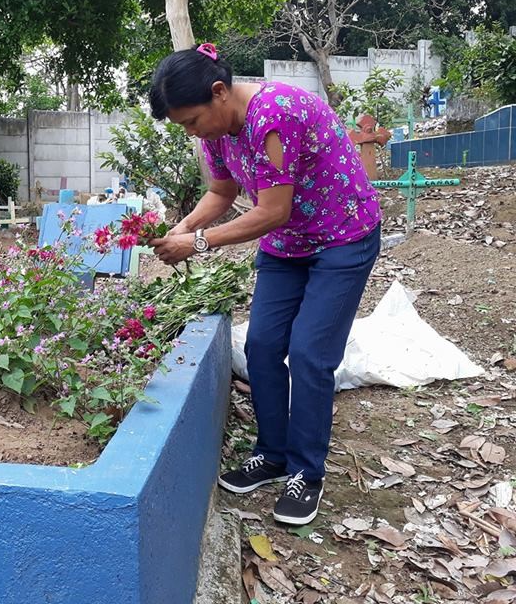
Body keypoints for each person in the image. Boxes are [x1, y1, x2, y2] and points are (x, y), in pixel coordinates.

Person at [147, 43, 381, 526]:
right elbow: (222, 191)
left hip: (342, 237)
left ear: (218, 92)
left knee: (311, 354)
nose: (192, 131)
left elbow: (271, 210)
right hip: (287, 244)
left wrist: (199, 244)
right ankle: (273, 453)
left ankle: (306, 472)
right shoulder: (218, 129)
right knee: (262, 344)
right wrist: (184, 228)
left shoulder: (273, 115)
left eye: (191, 121)